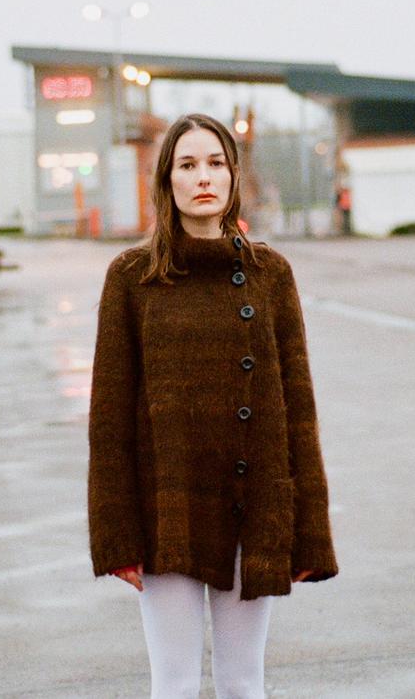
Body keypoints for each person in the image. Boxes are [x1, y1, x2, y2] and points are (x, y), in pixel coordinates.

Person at [88, 112, 338, 699]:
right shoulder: (132, 277)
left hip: (251, 504)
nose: (204, 177)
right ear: (166, 181)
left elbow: (298, 410)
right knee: (172, 684)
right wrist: (116, 535)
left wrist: (310, 530)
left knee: (244, 683)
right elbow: (109, 420)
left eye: (216, 163)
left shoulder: (268, 274)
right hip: (165, 509)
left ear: (233, 176)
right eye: (188, 164)